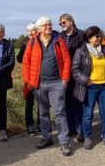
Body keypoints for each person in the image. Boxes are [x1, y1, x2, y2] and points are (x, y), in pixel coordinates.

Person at [22, 16, 73, 156]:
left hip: (56, 82)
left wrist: (65, 80)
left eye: (49, 24)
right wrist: (28, 82)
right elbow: (26, 63)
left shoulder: (58, 40)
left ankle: (64, 142)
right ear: (39, 28)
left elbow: (67, 59)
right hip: (39, 84)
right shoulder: (32, 42)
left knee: (59, 113)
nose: (48, 27)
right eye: (45, 25)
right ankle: (46, 138)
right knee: (43, 113)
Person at [71, 26, 105, 150]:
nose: (99, 38)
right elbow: (75, 70)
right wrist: (87, 81)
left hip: (104, 87)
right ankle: (88, 138)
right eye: (97, 36)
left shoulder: (104, 51)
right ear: (89, 38)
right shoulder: (81, 51)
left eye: (100, 36)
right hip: (90, 87)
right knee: (87, 114)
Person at [58, 13, 86, 141]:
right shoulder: (60, 36)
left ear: (71, 21)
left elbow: (84, 54)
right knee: (67, 102)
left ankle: (82, 131)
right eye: (60, 23)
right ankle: (71, 128)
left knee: (78, 102)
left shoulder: (80, 34)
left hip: (77, 73)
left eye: (63, 22)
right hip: (65, 74)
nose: (61, 25)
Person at [16, 23, 39, 136]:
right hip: (29, 76)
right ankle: (29, 125)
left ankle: (40, 124)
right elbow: (19, 58)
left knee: (41, 102)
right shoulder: (25, 44)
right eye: (29, 31)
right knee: (29, 102)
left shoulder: (40, 42)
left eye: (33, 30)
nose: (31, 32)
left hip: (40, 76)